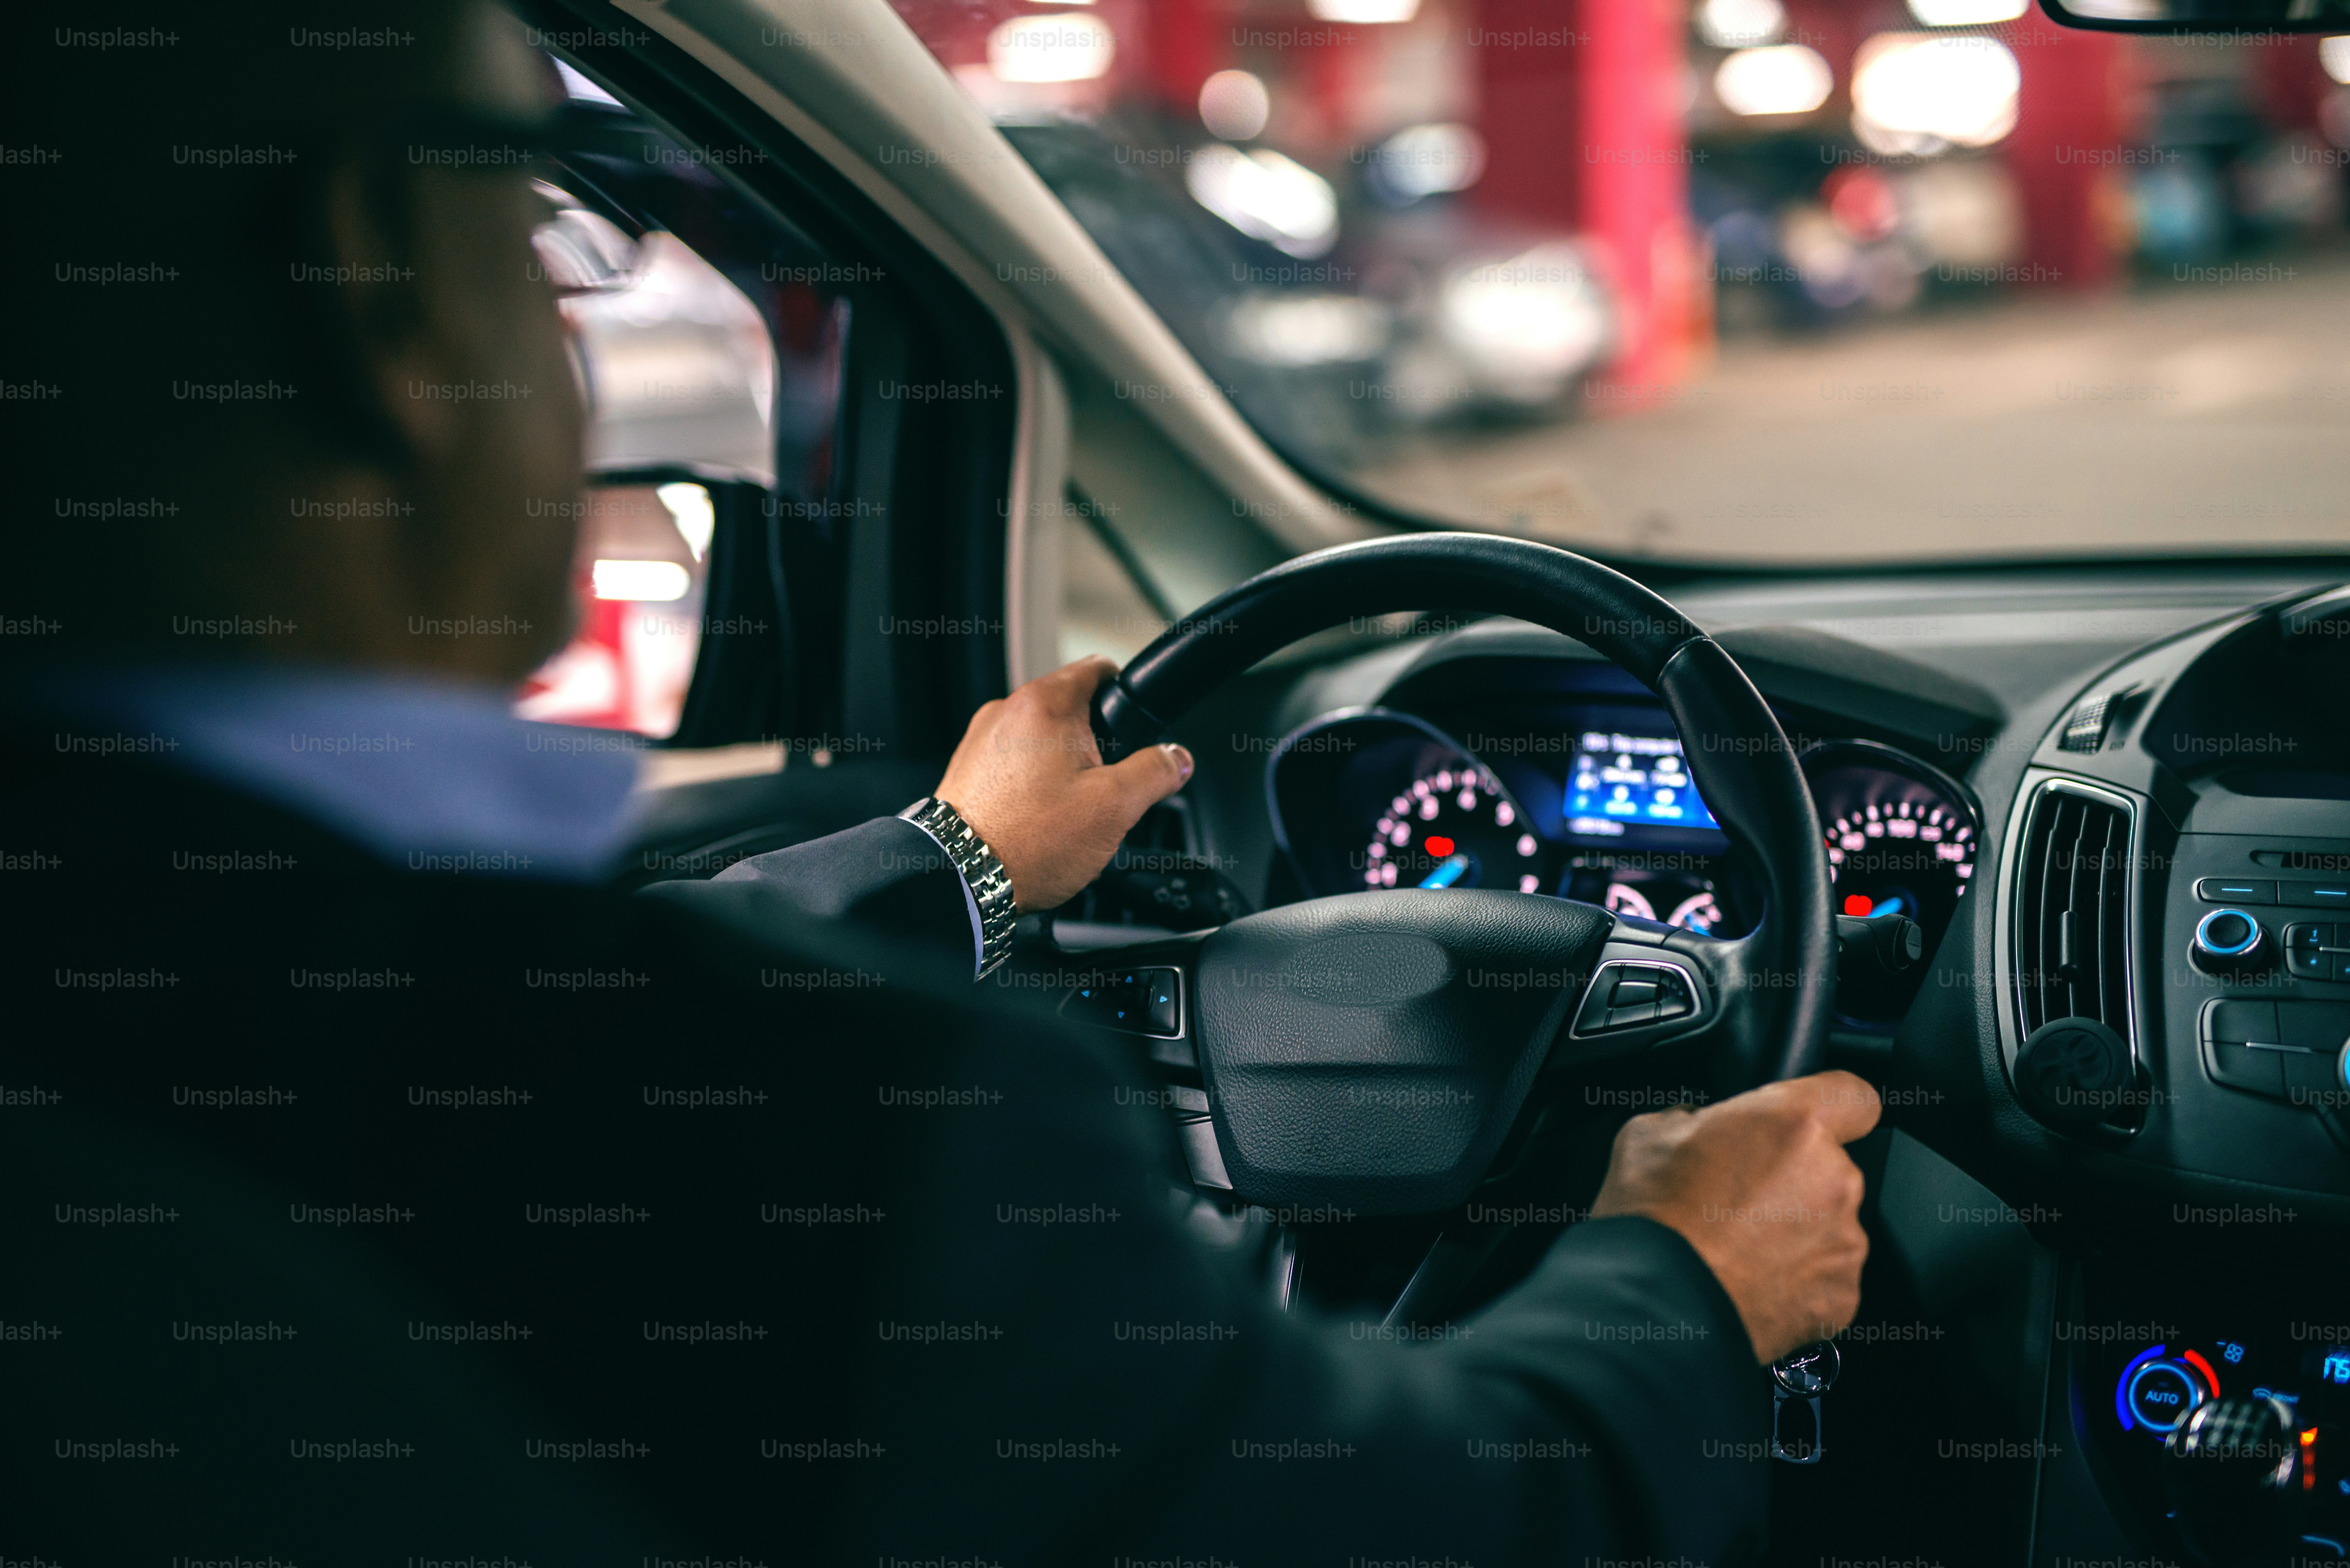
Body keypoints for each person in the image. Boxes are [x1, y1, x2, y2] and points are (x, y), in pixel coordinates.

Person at [0, 4, 1876, 1564]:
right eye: (532, 244)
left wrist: (960, 860)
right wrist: (1688, 1279)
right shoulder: (834, 1145)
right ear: (382, 294)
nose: (561, 339)